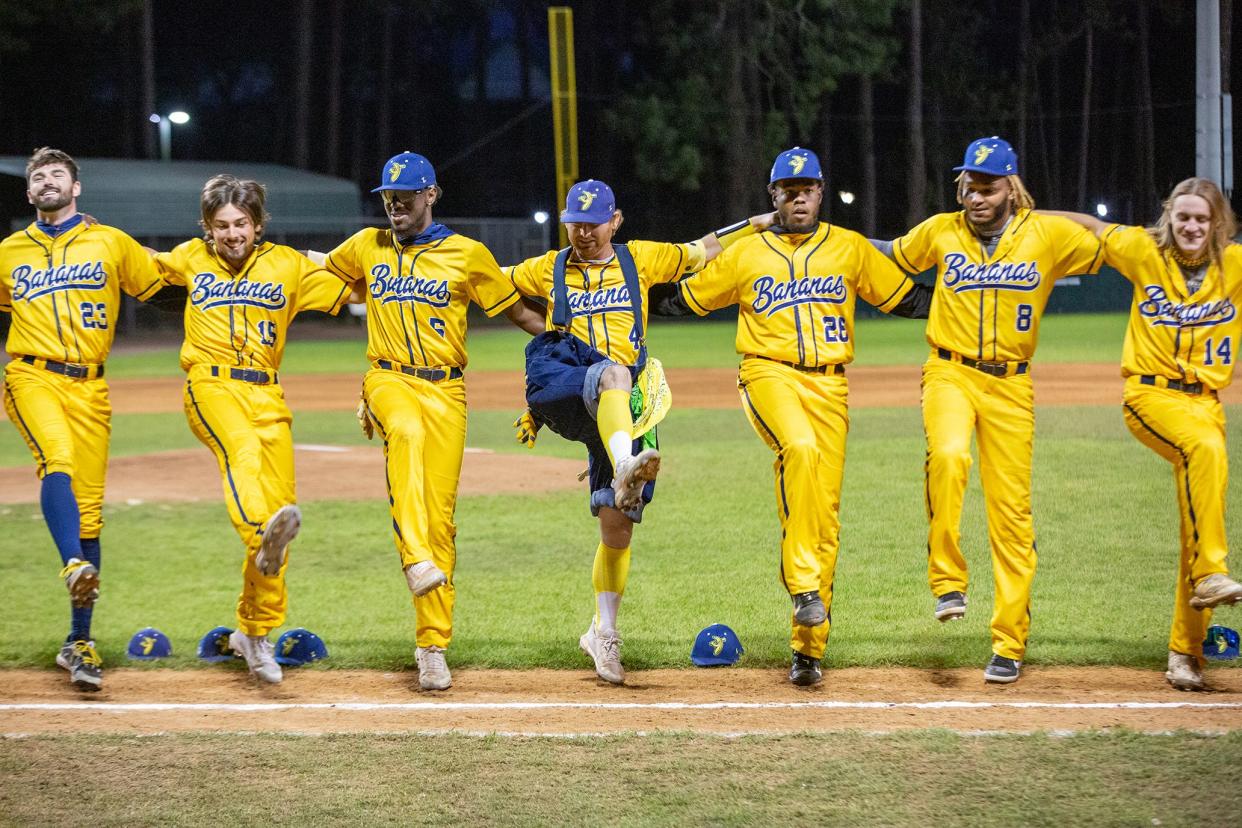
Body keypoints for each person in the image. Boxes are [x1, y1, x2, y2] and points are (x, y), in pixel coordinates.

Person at [658, 148, 931, 686]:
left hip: (831, 386)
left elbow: (906, 299)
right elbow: (682, 300)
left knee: (824, 519)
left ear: (821, 192)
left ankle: (808, 649)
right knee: (799, 447)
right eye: (788, 188)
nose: (798, 195)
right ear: (773, 196)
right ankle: (804, 585)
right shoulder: (747, 253)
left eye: (807, 187)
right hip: (767, 375)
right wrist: (625, 291)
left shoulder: (848, 248)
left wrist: (973, 289)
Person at [508, 179, 776, 685]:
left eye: (592, 223)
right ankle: (623, 461)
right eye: (574, 223)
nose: (582, 233)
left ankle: (602, 632)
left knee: (619, 523)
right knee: (611, 373)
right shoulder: (548, 268)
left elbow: (702, 251)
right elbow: (491, 285)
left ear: (616, 221)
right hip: (582, 382)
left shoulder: (642, 260)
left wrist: (758, 224)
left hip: (630, 405)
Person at [875, 136, 1105, 684]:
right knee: (950, 457)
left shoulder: (1043, 236)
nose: (975, 197)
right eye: (969, 186)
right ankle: (948, 581)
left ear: (1010, 188)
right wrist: (835, 240)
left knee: (1011, 516)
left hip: (1011, 387)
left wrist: (1036, 210)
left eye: (988, 186)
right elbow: (889, 253)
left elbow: (1103, 238)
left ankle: (1009, 641)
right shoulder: (940, 230)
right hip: (949, 370)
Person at [321, 152, 544, 691]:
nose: (395, 203)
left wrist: (572, 348)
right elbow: (316, 277)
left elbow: (518, 312)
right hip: (388, 378)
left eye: (406, 194)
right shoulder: (365, 246)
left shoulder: (467, 254)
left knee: (441, 517)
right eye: (388, 196)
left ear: (431, 195)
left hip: (446, 389)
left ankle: (432, 645)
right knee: (405, 433)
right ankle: (414, 558)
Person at [149, 175, 353, 684]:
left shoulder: (287, 265)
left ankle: (254, 633)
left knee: (282, 512)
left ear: (258, 226)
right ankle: (260, 534)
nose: (233, 233)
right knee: (241, 457)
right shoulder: (188, 258)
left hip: (268, 394)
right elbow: (131, 272)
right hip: (210, 385)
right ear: (207, 228)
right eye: (222, 225)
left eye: (241, 223)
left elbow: (354, 284)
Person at [1045, 178, 1242, 691]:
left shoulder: (1236, 266)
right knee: (1204, 452)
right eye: (1183, 217)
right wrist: (1025, 218)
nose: (1192, 226)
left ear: (1217, 223)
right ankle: (1211, 573)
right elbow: (1090, 225)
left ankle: (1186, 654)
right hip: (1151, 398)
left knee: (1194, 528)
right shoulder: (1142, 250)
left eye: (1201, 218)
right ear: (1169, 219)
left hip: (1206, 405)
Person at [0, 147, 181, 691]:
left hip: (92, 386)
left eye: (58, 174)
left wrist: (222, 276)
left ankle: (78, 641)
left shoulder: (110, 241)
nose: (47, 180)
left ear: (76, 188)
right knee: (54, 458)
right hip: (30, 375)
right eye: (39, 176)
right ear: (29, 192)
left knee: (92, 514)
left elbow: (165, 288)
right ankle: (73, 566)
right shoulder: (8, 251)